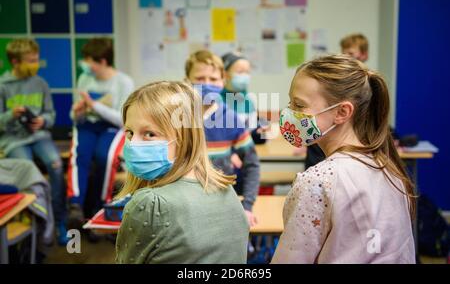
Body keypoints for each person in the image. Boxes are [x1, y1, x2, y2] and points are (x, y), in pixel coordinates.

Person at [272, 54, 415, 263]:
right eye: (290, 103)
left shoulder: (319, 180)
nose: (289, 113)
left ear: (342, 112)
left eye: (299, 105)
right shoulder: (389, 168)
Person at [115, 81, 249, 263]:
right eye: (130, 132)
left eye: (149, 134)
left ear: (185, 138)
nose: (133, 143)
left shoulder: (150, 203)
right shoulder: (226, 189)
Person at [0, 38, 67, 245]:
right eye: (30, 60)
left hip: (39, 136)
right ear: (15, 62)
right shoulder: (3, 86)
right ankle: (36, 223)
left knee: (56, 165)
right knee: (28, 171)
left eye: (36, 59)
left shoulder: (41, 83)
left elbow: (51, 115)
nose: (35, 64)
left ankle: (59, 221)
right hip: (14, 140)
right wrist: (11, 114)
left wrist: (43, 120)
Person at [184, 50, 260, 226]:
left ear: (223, 81)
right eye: (200, 79)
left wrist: (247, 206)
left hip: (221, 205)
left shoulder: (232, 119)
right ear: (187, 81)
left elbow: (252, 164)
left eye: (213, 79)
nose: (207, 84)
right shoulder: (175, 118)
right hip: (185, 208)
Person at [67, 38, 134, 226]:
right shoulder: (84, 78)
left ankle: (100, 207)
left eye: (89, 60)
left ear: (102, 61)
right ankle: (76, 206)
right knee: (80, 156)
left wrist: (94, 105)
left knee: (105, 157)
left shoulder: (123, 82)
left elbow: (123, 120)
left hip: (112, 127)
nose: (85, 65)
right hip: (87, 125)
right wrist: (77, 111)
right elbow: (74, 116)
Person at [305, 33, 370, 169]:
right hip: (327, 147)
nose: (346, 57)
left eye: (351, 53)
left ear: (364, 55)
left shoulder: (370, 87)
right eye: (344, 52)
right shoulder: (336, 83)